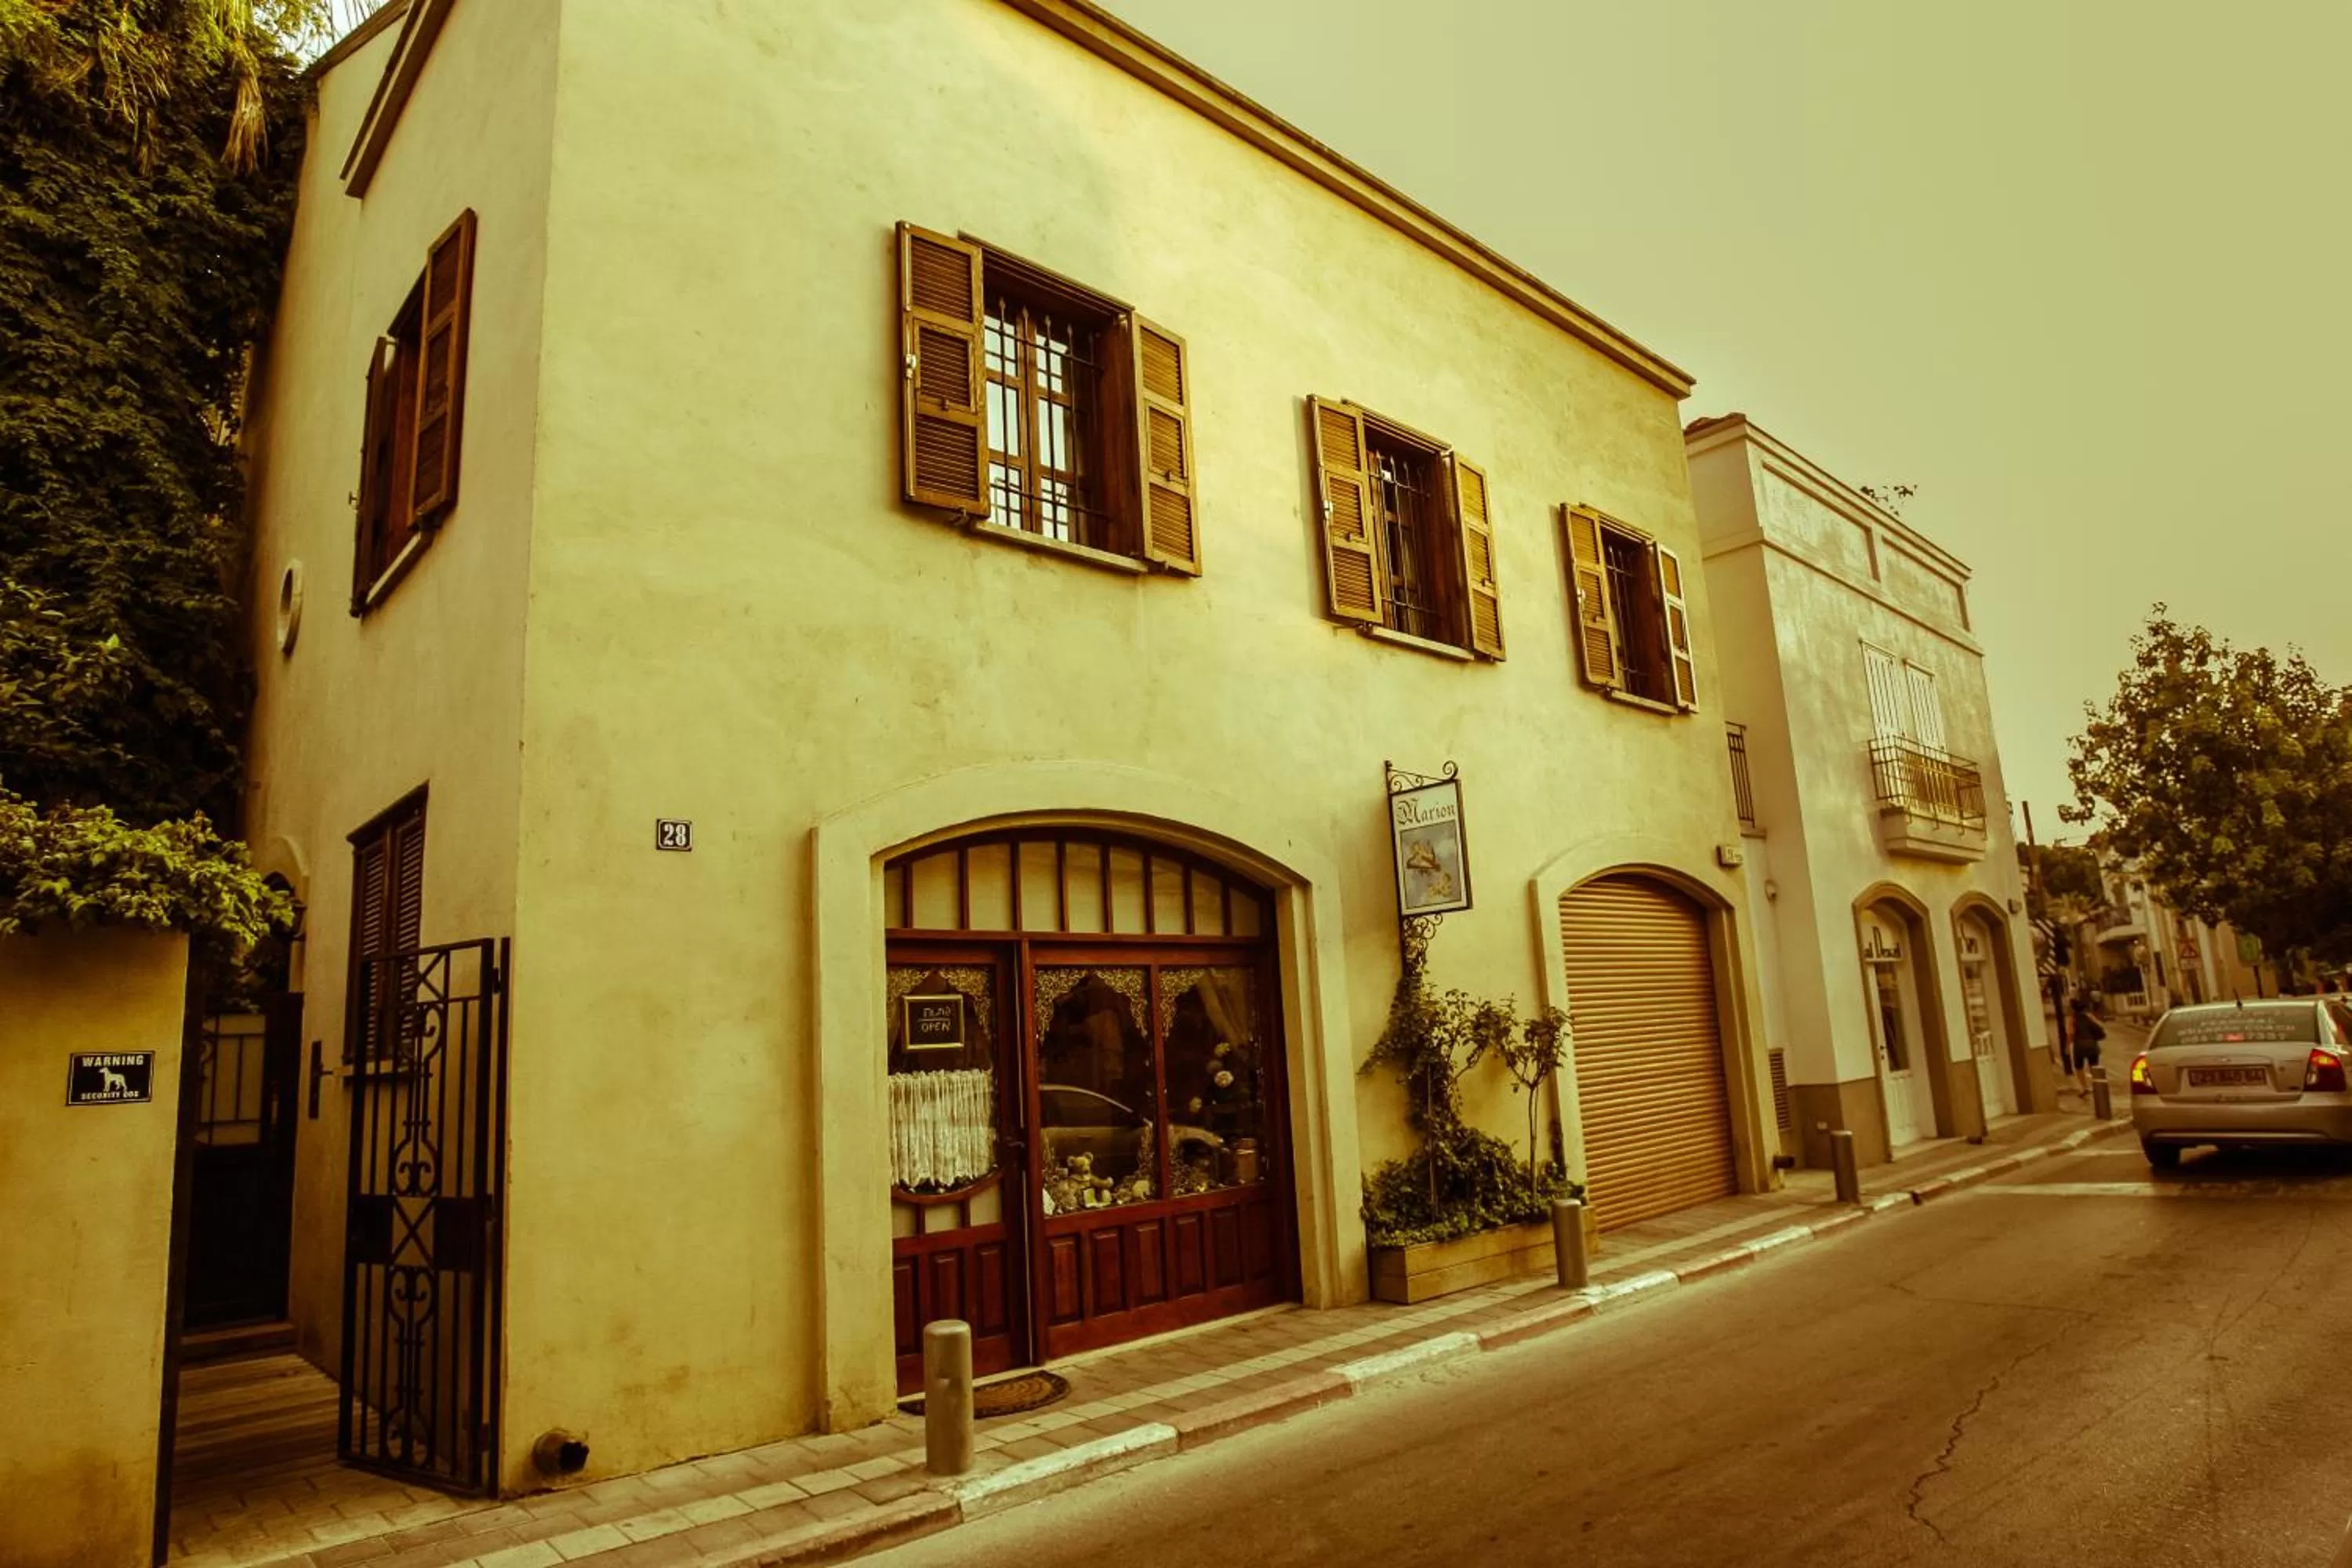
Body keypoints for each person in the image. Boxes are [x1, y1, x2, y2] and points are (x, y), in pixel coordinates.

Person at [2069, 995, 2107, 1096]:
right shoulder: (2089, 1016)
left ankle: (2085, 1087)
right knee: (2094, 1066)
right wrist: (2092, 1018)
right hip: (2092, 1046)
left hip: (2079, 1047)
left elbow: (2071, 1033)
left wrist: (2068, 1046)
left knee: (2079, 1067)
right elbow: (2101, 1026)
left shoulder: (2073, 1018)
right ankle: (2096, 1086)